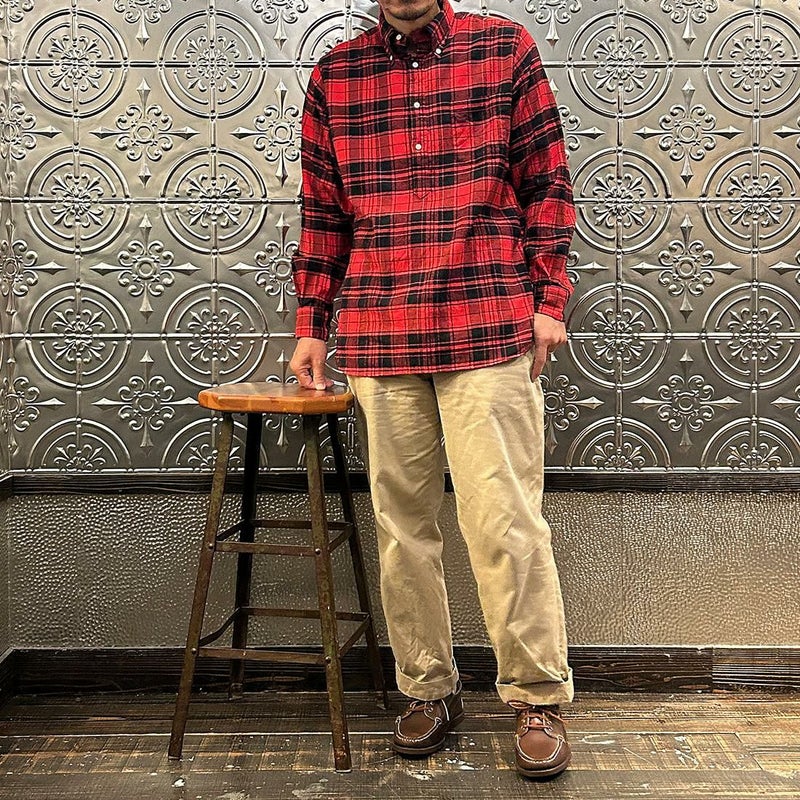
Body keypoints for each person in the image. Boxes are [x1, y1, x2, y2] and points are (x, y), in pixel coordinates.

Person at [289, 0, 576, 780]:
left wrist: (550, 300)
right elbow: (322, 211)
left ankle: (536, 697)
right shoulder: (336, 75)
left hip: (488, 321)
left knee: (506, 523)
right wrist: (312, 322)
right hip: (381, 331)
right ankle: (428, 689)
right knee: (402, 528)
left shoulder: (504, 49)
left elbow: (548, 183)